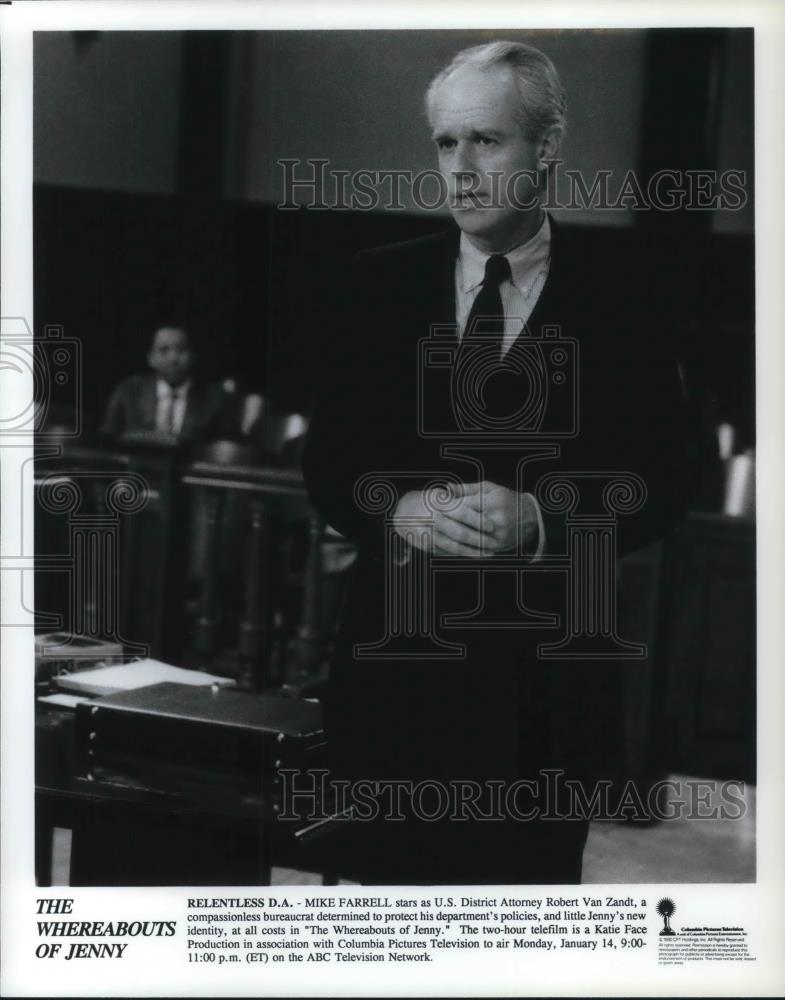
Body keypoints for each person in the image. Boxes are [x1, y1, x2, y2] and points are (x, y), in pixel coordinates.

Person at [302, 41, 691, 884]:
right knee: (385, 938)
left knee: (512, 937)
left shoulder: (627, 295)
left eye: (486, 140)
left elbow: (667, 477)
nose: (462, 169)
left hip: (542, 705)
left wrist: (544, 518)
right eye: (446, 143)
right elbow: (328, 461)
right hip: (395, 687)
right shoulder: (374, 285)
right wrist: (396, 506)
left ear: (546, 147)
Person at [101, 325, 240, 444]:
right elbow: (107, 441)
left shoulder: (217, 399)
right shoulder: (128, 391)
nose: (173, 358)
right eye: (164, 350)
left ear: (192, 357)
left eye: (181, 350)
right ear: (151, 358)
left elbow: (228, 451)